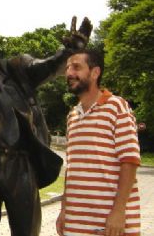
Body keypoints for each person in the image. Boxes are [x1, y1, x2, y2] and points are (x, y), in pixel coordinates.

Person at [0, 17, 92, 236]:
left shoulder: (17, 69)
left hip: (20, 164)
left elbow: (48, 66)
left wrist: (70, 50)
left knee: (27, 229)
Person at [56, 49, 141, 236]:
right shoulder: (72, 116)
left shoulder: (117, 106)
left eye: (76, 67)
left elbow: (130, 161)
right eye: (68, 68)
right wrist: (64, 209)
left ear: (95, 73)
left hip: (111, 226)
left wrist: (119, 212)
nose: (69, 73)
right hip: (75, 224)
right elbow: (73, 169)